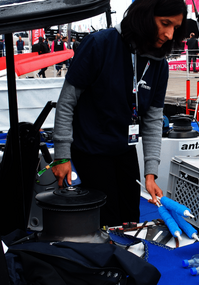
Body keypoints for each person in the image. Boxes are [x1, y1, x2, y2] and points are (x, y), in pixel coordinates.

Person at [51, 0, 187, 227]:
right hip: (90, 150)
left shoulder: (159, 65)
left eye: (175, 27)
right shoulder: (98, 44)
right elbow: (66, 103)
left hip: (125, 149)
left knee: (131, 220)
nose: (170, 34)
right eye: (165, 24)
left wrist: (150, 174)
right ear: (145, 16)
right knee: (107, 222)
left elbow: (153, 119)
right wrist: (62, 155)